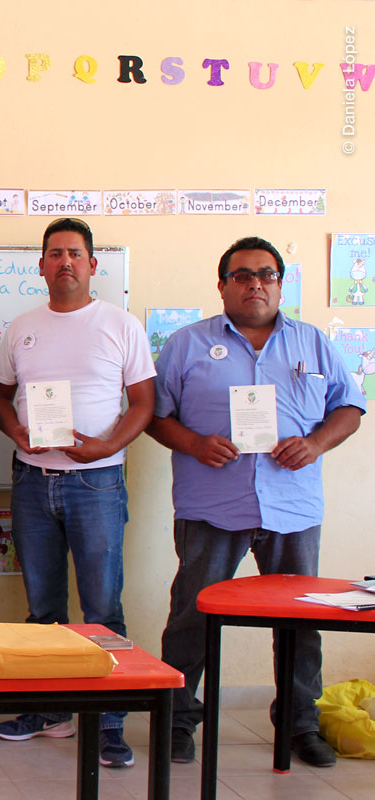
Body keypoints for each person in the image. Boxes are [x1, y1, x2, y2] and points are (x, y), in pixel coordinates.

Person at [147, 236, 364, 768]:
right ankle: (177, 721)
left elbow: (350, 407)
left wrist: (315, 444)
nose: (255, 284)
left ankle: (299, 725)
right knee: (192, 615)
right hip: (211, 505)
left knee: (300, 622)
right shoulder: (186, 344)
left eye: (267, 274)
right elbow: (155, 416)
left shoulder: (313, 343)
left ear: (280, 284)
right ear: (222, 285)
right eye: (242, 275)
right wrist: (195, 443)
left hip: (292, 507)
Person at [0, 218, 155, 768]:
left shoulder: (120, 324)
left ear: (92, 264)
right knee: (43, 608)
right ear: (41, 265)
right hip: (32, 481)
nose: (65, 261)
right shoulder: (21, 328)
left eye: (75, 253)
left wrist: (106, 446)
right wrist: (15, 431)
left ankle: (108, 723)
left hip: (97, 482)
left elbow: (144, 403)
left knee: (103, 607)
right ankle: (51, 711)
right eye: (55, 253)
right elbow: (1, 396)